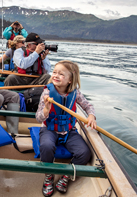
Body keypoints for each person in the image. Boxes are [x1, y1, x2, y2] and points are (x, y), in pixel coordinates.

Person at [35, 60, 97, 197]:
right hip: (49, 129)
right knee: (46, 146)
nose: (56, 75)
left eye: (61, 74)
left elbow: (88, 106)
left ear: (70, 80)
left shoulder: (76, 93)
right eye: (55, 72)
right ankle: (49, 176)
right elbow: (38, 118)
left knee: (84, 153)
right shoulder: (47, 92)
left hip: (69, 131)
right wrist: (46, 110)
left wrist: (91, 115)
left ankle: (66, 176)